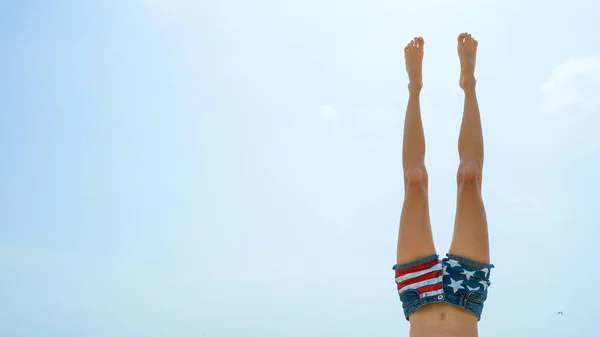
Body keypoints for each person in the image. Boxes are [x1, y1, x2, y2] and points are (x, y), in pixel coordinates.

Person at [393, 33, 494, 337]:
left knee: (414, 181)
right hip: (467, 294)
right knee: (470, 178)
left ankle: (414, 86)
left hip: (417, 293)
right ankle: (469, 83)